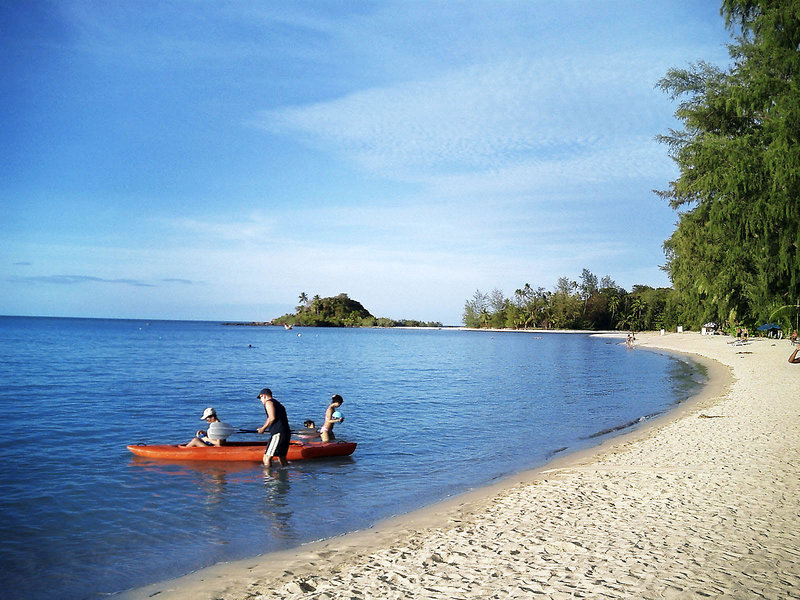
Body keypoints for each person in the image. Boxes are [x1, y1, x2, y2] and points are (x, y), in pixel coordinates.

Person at [257, 388, 290, 468]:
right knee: (281, 458)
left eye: (260, 398)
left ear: (263, 396)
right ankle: (285, 477)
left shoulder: (268, 403)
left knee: (266, 458)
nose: (261, 400)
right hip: (285, 432)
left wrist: (263, 428)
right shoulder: (278, 404)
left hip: (278, 433)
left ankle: (268, 479)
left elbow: (272, 417)